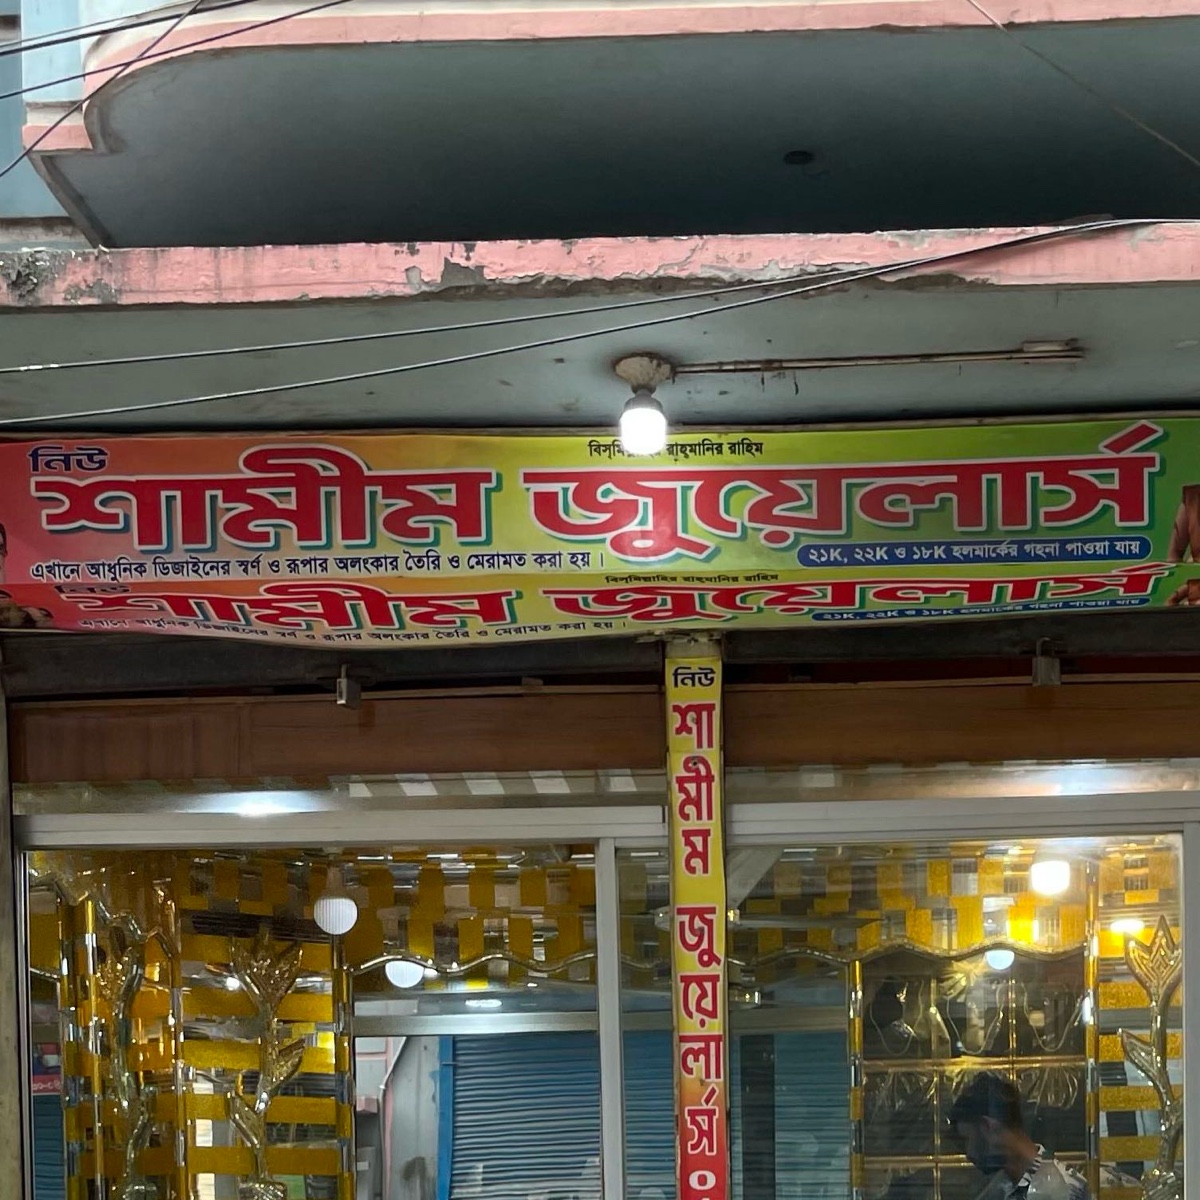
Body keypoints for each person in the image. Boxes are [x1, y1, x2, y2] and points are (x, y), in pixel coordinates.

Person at [948, 1072, 1088, 1199]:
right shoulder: (1004, 1187)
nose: (968, 1154)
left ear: (987, 1127)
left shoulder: (1062, 1191)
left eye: (967, 1139)